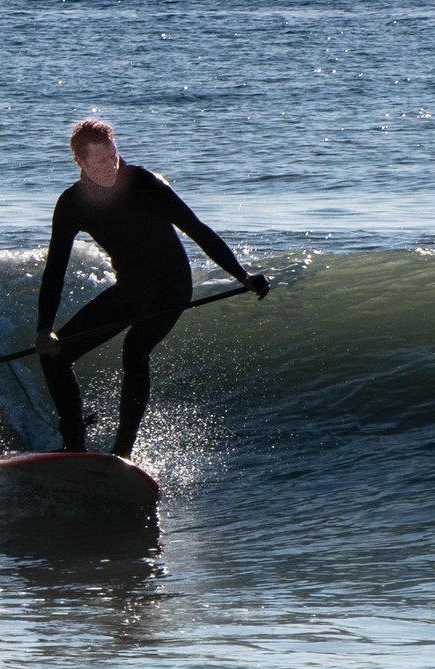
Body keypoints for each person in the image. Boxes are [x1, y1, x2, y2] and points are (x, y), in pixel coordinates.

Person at [37, 118, 267, 458]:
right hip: (131, 287)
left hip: (172, 286)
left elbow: (197, 229)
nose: (112, 165)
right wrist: (44, 329)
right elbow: (55, 268)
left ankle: (122, 452)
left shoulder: (145, 184)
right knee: (55, 356)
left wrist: (242, 275)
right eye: (101, 161)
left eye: (114, 155)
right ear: (81, 163)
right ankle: (74, 444)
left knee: (135, 350)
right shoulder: (73, 204)